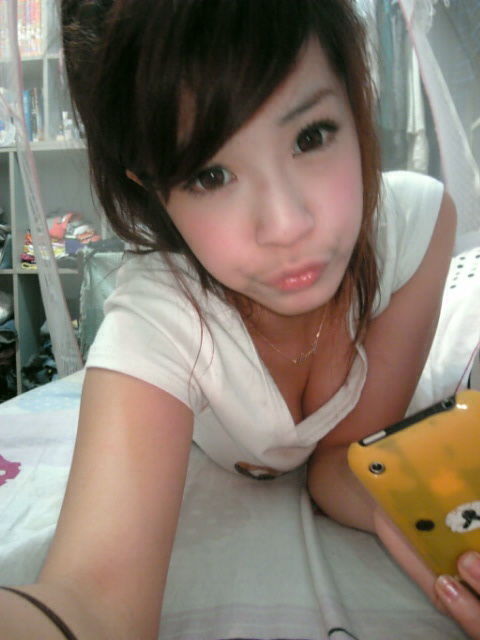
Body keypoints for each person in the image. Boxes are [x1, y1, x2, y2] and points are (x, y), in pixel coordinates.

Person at [1, 1, 479, 638]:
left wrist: (411, 516)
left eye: (311, 136)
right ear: (152, 187)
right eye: (210, 175)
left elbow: (346, 457)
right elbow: (92, 602)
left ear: (354, 100)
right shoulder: (159, 318)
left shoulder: (414, 231)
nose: (286, 225)